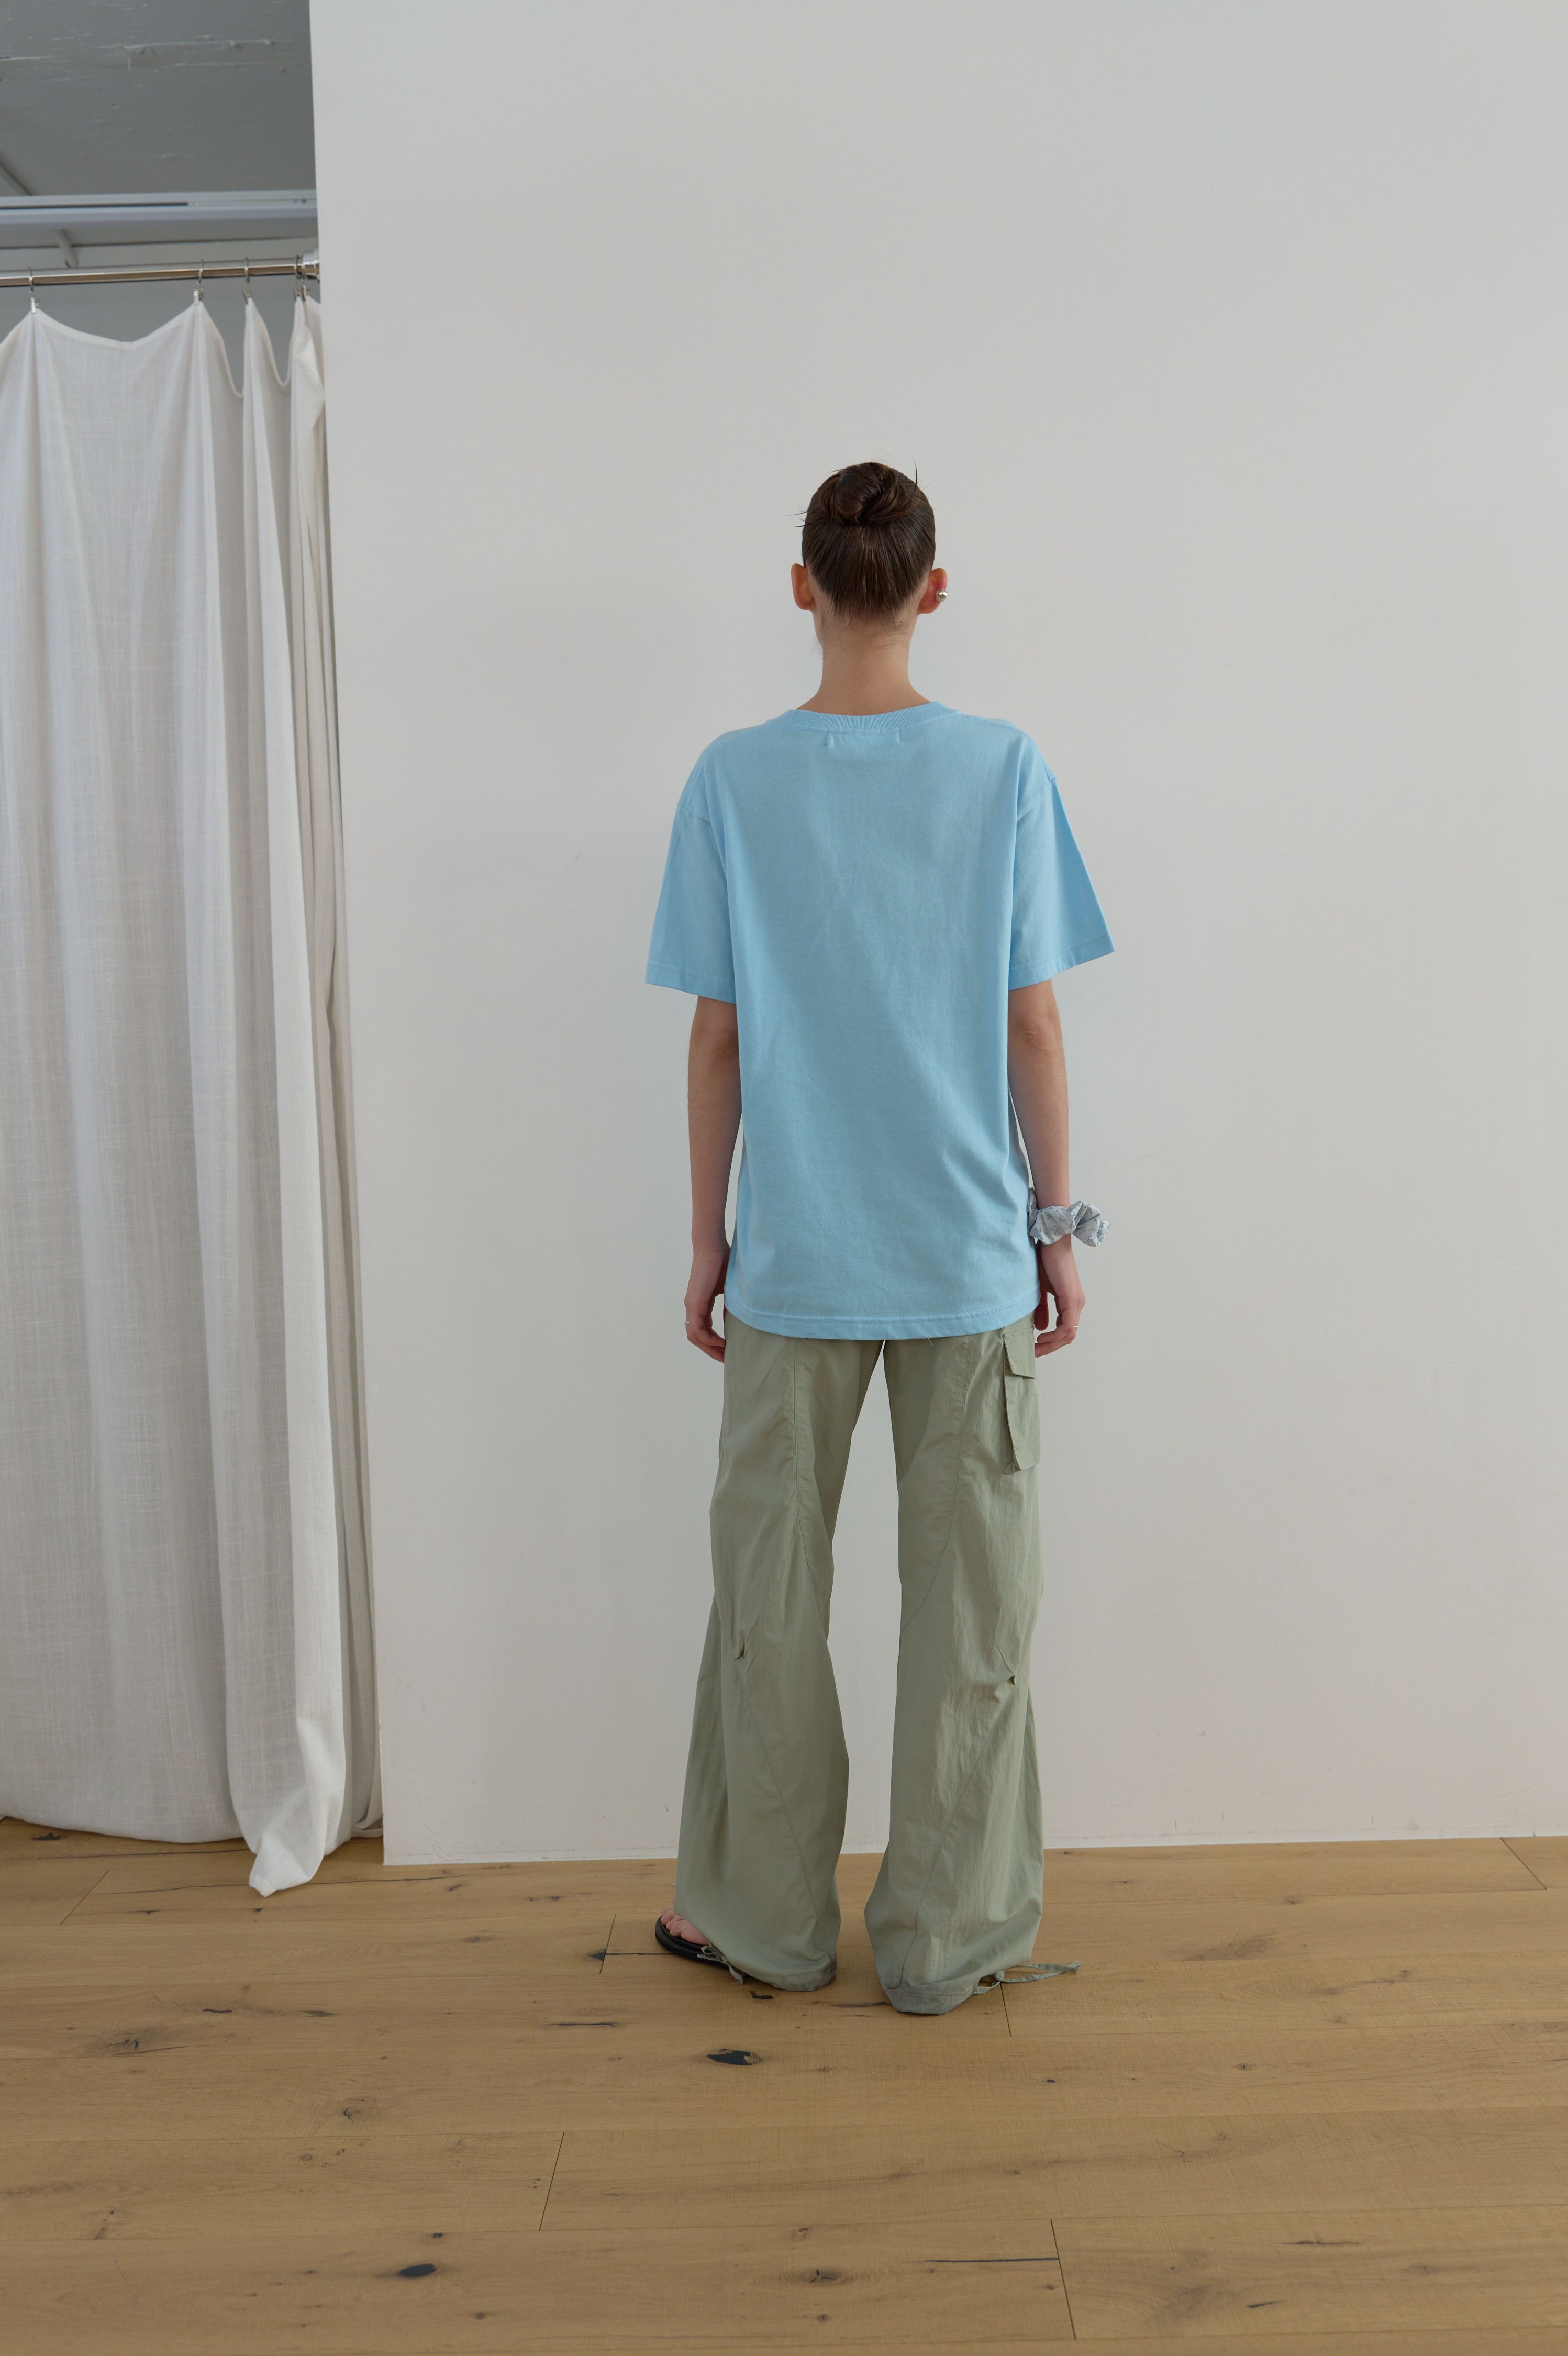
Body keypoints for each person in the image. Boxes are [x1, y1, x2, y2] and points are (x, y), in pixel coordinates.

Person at [643, 460, 1113, 2015]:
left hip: (792, 1263)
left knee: (767, 1606)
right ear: (932, 587)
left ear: (802, 587)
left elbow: (718, 1036)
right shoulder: (1002, 767)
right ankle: (943, 1944)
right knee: (973, 1613)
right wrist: (1056, 1227)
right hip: (968, 1257)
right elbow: (1032, 1022)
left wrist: (707, 1239)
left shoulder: (731, 778)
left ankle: (767, 1927)